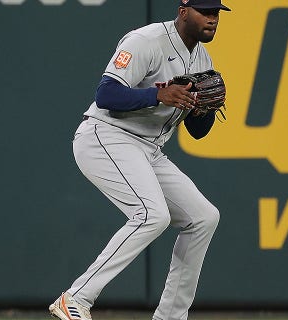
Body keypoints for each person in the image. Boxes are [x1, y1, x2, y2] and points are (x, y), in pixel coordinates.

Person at [49, 1, 230, 320]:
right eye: (205, 11)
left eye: (216, 13)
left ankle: (171, 316)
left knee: (203, 217)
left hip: (149, 149)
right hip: (106, 136)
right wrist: (156, 95)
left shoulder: (202, 59)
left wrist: (204, 111)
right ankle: (76, 298)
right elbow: (106, 95)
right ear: (184, 10)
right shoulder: (146, 40)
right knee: (152, 215)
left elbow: (197, 131)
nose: (212, 19)